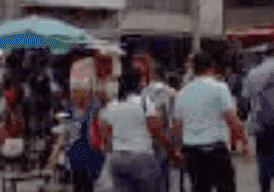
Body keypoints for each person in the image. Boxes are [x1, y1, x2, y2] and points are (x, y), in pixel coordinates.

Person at [171, 54, 248, 192]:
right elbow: (231, 118)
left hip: (192, 150)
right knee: (225, 187)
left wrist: (177, 149)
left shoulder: (183, 92)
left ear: (193, 69)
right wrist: (244, 142)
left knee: (199, 187)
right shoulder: (220, 88)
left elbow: (176, 125)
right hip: (216, 149)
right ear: (212, 67)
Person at [97, 67, 167, 192]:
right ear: (139, 83)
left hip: (117, 159)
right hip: (141, 156)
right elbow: (156, 129)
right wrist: (166, 148)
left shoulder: (112, 105)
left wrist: (111, 150)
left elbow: (104, 132)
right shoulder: (144, 102)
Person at [241, 46, 274, 192]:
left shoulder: (252, 72)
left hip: (259, 121)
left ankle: (265, 188)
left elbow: (245, 99)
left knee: (263, 160)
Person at [47, 75, 106, 192]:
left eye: (77, 91)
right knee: (78, 187)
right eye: (73, 91)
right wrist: (54, 155)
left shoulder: (94, 107)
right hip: (75, 159)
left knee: (90, 186)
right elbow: (65, 133)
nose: (73, 95)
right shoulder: (71, 110)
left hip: (93, 157)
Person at [139, 62, 176, 192]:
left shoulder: (144, 92)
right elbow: (174, 115)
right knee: (164, 169)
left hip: (149, 134)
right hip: (166, 133)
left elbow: (142, 112)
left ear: (153, 76)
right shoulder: (171, 92)